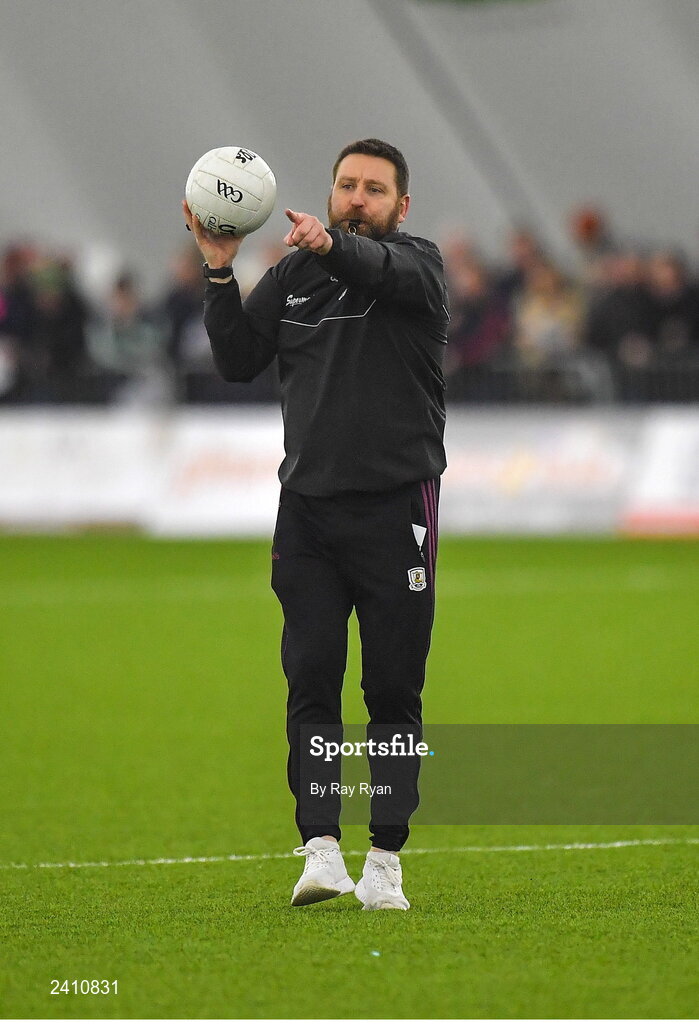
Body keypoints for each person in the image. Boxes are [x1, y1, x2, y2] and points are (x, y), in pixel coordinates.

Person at [183, 138, 448, 911]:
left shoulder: (419, 266)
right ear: (328, 193)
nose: (355, 197)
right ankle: (323, 849)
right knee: (311, 677)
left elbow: (376, 267)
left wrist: (331, 244)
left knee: (392, 688)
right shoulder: (295, 274)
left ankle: (386, 859)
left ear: (400, 206)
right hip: (306, 512)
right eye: (344, 185)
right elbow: (236, 358)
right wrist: (217, 267)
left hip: (396, 509)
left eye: (372, 188)